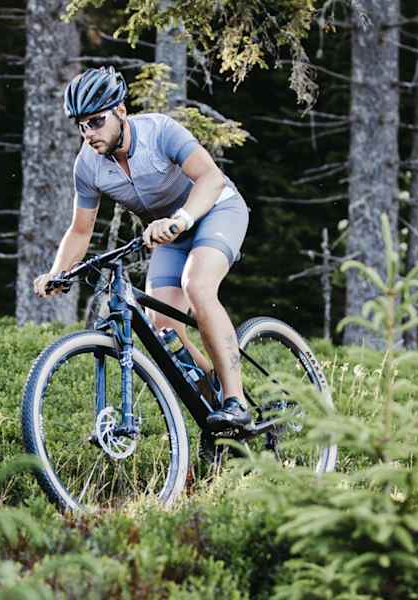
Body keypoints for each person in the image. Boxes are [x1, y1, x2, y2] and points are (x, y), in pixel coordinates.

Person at [32, 66, 253, 430]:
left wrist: (181, 219)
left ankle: (236, 400)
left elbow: (211, 178)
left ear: (120, 110)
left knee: (197, 286)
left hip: (216, 209)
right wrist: (58, 273)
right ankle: (215, 401)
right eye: (82, 126)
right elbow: (80, 230)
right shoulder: (87, 166)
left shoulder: (159, 131)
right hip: (170, 232)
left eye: (96, 122)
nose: (89, 133)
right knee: (163, 329)